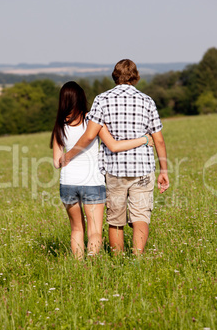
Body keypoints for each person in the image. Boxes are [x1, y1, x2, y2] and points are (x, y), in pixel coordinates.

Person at [62, 60, 169, 256]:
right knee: (141, 217)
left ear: (114, 76)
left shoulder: (101, 100)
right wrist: (164, 170)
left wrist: (68, 156)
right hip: (143, 169)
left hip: (114, 170)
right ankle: (137, 261)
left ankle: (117, 260)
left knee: (115, 220)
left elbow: (88, 135)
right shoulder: (147, 101)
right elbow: (159, 140)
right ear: (135, 77)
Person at [50, 81, 153, 259]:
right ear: (82, 98)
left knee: (76, 229)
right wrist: (144, 139)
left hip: (67, 183)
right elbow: (113, 145)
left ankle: (78, 266)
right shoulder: (93, 119)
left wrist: (67, 155)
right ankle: (91, 263)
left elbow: (57, 163)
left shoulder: (59, 125)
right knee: (95, 231)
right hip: (92, 183)